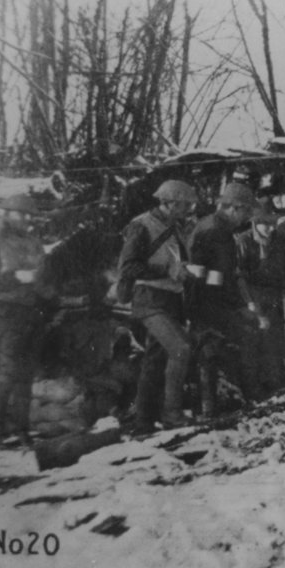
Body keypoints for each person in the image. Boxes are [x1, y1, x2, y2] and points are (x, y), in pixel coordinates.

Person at [0, 194, 54, 447]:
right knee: (8, 371)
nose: (27, 219)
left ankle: (21, 430)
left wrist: (50, 294)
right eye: (22, 214)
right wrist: (15, 277)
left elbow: (42, 277)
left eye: (30, 215)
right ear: (7, 213)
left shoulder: (34, 242)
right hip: (5, 312)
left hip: (31, 312)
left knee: (27, 375)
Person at [118, 180, 198, 431]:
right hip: (149, 299)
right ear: (171, 203)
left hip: (170, 299)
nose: (189, 209)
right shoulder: (141, 226)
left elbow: (175, 264)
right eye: (186, 204)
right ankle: (172, 414)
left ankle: (143, 420)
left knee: (155, 359)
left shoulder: (175, 226)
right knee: (181, 348)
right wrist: (168, 269)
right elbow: (130, 266)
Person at [188, 182, 266, 415]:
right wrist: (236, 306)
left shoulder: (214, 226)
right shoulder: (216, 231)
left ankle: (223, 401)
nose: (247, 218)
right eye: (246, 212)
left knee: (220, 348)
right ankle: (235, 400)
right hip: (207, 302)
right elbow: (213, 275)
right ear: (234, 208)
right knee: (237, 338)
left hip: (208, 299)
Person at [235, 206, 285, 396]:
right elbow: (239, 275)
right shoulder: (243, 240)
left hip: (273, 296)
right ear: (255, 223)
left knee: (274, 341)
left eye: (273, 224)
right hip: (251, 296)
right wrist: (249, 301)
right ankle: (252, 389)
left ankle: (275, 385)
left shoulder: (279, 240)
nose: (270, 229)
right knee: (252, 343)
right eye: (265, 224)